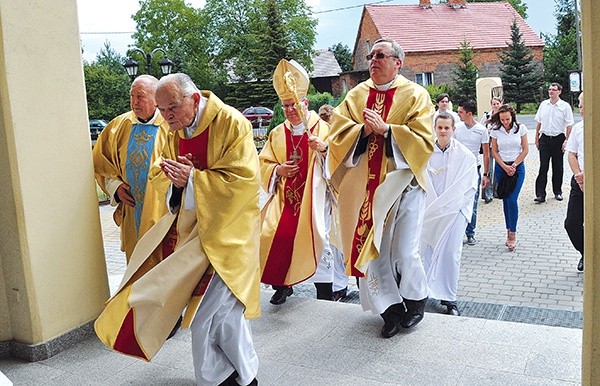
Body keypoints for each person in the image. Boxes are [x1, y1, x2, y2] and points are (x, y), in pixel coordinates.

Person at [95, 73, 261, 386]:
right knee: (217, 317)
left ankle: (230, 376)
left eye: (171, 108)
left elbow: (245, 183)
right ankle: (238, 375)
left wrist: (195, 180)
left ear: (194, 99)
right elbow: (167, 177)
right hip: (194, 237)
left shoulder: (232, 123)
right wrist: (177, 183)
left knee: (209, 317)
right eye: (162, 109)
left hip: (229, 236)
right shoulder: (175, 131)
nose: (166, 116)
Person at [328, 38, 433, 338]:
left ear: (398, 63)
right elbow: (337, 134)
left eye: (381, 55)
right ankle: (390, 310)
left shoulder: (415, 95)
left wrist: (387, 131)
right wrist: (363, 130)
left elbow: (424, 140)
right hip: (367, 190)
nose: (373, 60)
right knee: (372, 251)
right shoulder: (357, 95)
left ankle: (416, 301)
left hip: (405, 185)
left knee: (403, 250)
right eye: (371, 55)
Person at [259, 59, 345, 304]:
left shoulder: (323, 129)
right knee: (272, 235)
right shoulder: (277, 133)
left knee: (319, 240)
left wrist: (325, 149)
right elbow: (263, 162)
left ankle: (325, 295)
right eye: (285, 105)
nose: (289, 110)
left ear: (305, 103)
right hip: (286, 199)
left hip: (315, 200)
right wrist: (278, 170)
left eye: (293, 104)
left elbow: (340, 160)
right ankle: (282, 285)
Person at [92, 75, 170, 264]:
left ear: (156, 98)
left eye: (140, 96)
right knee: (136, 269)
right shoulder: (117, 127)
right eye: (132, 96)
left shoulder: (172, 125)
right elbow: (101, 164)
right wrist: (115, 188)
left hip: (164, 214)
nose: (134, 102)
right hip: (132, 213)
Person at [422, 112, 478, 316]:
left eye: (447, 127)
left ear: (454, 129)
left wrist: (450, 207)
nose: (443, 131)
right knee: (424, 251)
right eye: (440, 127)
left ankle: (449, 298)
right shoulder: (425, 152)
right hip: (430, 211)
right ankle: (423, 291)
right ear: (434, 129)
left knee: (450, 254)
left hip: (454, 212)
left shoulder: (465, 155)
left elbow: (469, 185)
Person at [490, 104, 529, 251]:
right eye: (502, 120)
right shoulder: (495, 130)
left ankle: (513, 234)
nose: (505, 122)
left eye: (507, 119)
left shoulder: (521, 128)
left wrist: (514, 165)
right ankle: (508, 230)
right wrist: (504, 166)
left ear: (512, 116)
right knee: (505, 200)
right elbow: (494, 151)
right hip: (501, 167)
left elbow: (525, 149)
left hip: (517, 167)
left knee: (512, 200)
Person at [454, 99, 490, 246]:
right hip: (458, 170)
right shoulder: (457, 128)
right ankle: (457, 233)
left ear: (469, 113)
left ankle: (470, 232)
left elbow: (486, 154)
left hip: (474, 169)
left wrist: (486, 174)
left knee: (473, 202)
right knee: (457, 202)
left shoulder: (482, 130)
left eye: (460, 112)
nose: (458, 114)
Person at [534, 82, 574, 203]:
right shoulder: (543, 105)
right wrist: (536, 138)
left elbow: (569, 125)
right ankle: (540, 194)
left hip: (558, 138)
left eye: (554, 90)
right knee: (543, 167)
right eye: (550, 89)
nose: (551, 91)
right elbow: (539, 122)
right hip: (545, 138)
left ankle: (557, 191)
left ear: (559, 92)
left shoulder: (565, 106)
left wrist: (566, 141)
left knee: (558, 167)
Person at [564, 92, 585, 272]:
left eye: (583, 104)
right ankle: (585, 253)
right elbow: (571, 154)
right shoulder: (578, 128)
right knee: (571, 223)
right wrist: (578, 174)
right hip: (579, 182)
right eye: (579, 104)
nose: (580, 108)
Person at [480, 96, 504, 203]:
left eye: (497, 104)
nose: (496, 106)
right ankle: (487, 193)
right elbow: (481, 127)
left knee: (499, 167)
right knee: (488, 168)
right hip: (489, 142)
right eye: (494, 104)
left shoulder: (503, 115)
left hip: (500, 144)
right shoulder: (487, 115)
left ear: (501, 104)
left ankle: (497, 191)